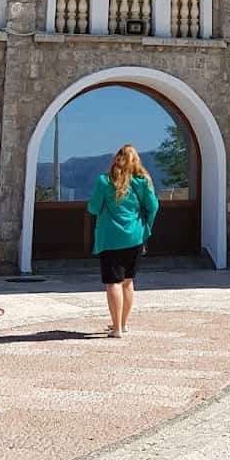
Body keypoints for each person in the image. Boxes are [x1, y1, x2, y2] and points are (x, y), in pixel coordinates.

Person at [87, 144, 159, 338]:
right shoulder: (142, 182)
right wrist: (146, 228)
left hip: (110, 239)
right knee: (127, 282)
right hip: (135, 238)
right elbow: (153, 207)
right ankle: (124, 324)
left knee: (113, 283)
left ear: (116, 159)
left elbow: (93, 208)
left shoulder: (104, 181)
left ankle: (116, 327)